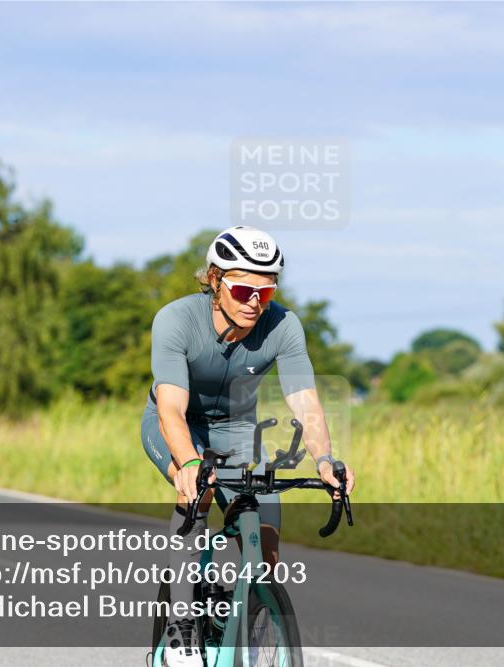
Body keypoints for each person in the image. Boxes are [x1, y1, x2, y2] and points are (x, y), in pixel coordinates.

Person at [141, 225, 355, 666]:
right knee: (196, 492)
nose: (255, 302)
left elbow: (305, 401)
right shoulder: (176, 320)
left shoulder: (283, 325)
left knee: (265, 539)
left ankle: (257, 632)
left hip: (237, 429)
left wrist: (325, 460)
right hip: (178, 425)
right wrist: (189, 464)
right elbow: (171, 410)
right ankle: (182, 624)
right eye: (243, 290)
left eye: (266, 291)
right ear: (214, 280)